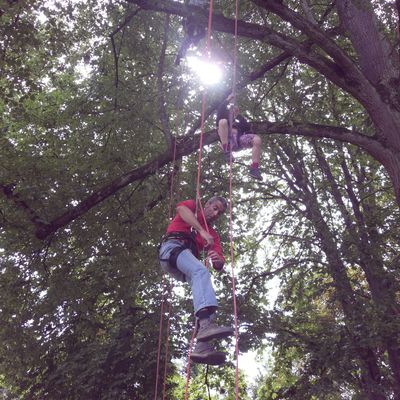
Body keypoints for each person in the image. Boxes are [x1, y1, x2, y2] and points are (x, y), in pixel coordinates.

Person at [159, 196, 233, 365]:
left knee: (205, 290)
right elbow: (181, 210)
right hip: (172, 249)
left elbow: (219, 263)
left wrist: (218, 260)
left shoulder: (212, 235)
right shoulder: (192, 207)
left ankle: (202, 346)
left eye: (219, 213)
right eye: (214, 208)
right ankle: (205, 327)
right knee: (201, 271)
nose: (215, 214)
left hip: (182, 266)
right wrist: (200, 230)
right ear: (206, 204)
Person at [216, 94, 263, 181]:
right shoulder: (224, 119)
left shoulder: (239, 121)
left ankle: (254, 168)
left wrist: (238, 115)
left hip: (239, 140)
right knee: (222, 122)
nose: (232, 112)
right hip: (228, 140)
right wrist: (227, 100)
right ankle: (226, 151)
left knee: (257, 139)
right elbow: (220, 111)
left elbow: (247, 128)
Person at [175, 0, 208, 66]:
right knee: (192, 35)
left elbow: (206, 6)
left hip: (197, 16)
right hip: (193, 16)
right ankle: (179, 56)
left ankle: (180, 55)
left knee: (198, 34)